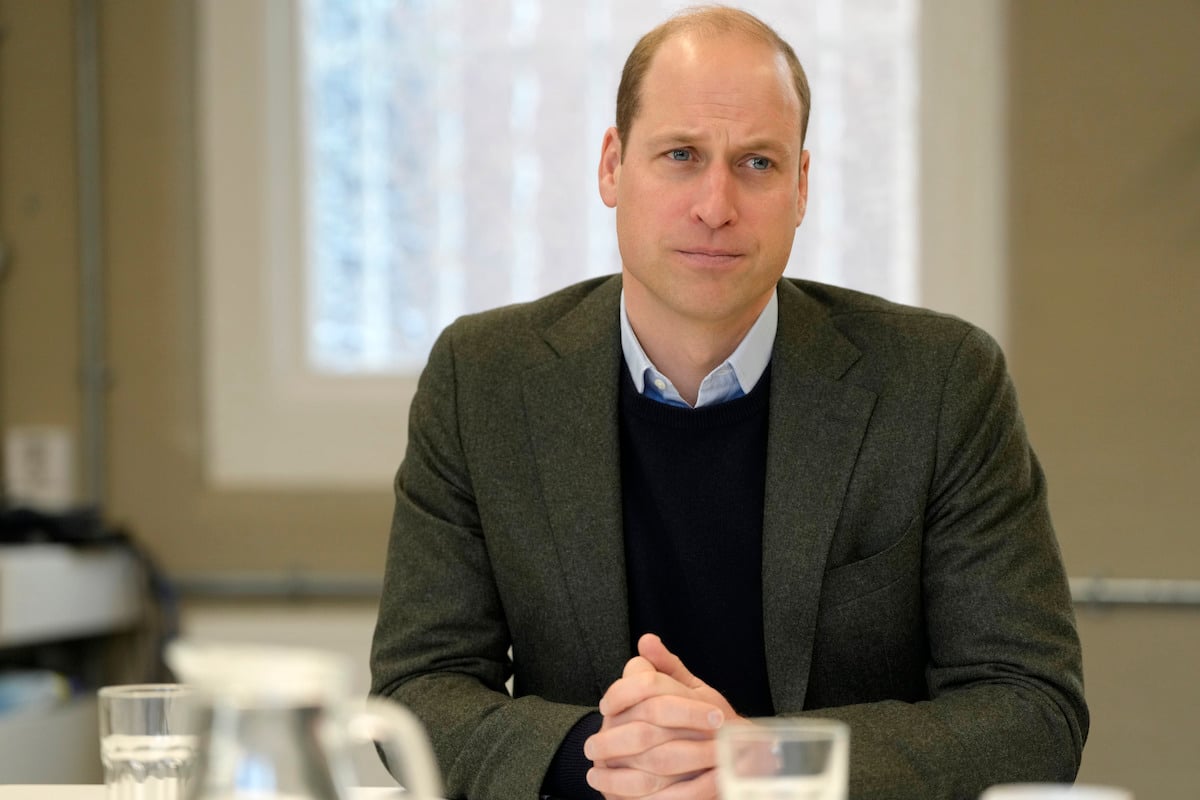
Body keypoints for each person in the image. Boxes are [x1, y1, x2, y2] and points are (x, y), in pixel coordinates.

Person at [369, 6, 1088, 800]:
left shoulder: (943, 383)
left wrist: (757, 761)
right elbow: (417, 689)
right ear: (612, 166)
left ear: (802, 186)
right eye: (681, 155)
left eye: (756, 164)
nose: (716, 204)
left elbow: (1031, 709)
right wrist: (600, 754)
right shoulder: (482, 379)